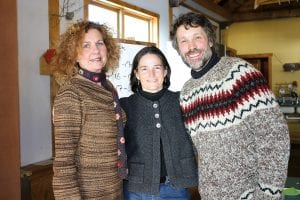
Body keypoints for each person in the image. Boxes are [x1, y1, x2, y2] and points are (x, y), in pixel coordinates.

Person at [170, 12, 290, 200]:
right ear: (178, 49)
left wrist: (268, 194)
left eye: (197, 38)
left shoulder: (240, 74)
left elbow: (275, 138)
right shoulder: (187, 92)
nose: (191, 47)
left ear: (210, 40)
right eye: (183, 41)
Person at [51, 20, 127, 199]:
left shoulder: (107, 86)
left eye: (100, 43)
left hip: (114, 191)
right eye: (86, 45)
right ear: (74, 55)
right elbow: (63, 165)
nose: (96, 50)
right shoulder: (71, 93)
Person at [120, 46, 198, 200]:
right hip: (136, 189)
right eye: (144, 69)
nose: (151, 74)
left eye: (157, 67)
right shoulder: (125, 106)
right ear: (136, 74)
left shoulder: (182, 101)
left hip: (176, 188)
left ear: (165, 71)